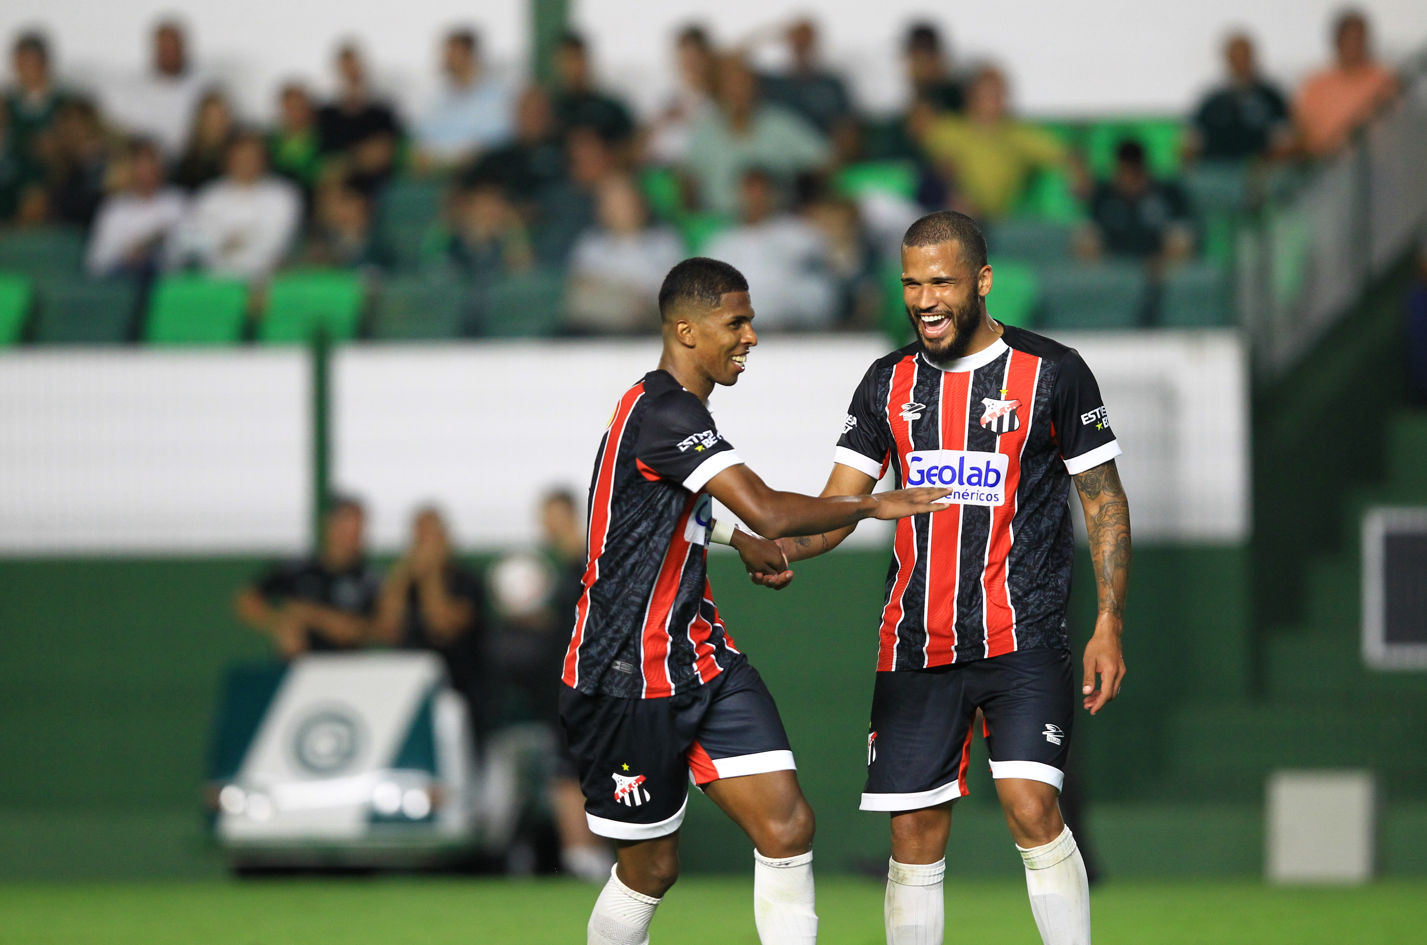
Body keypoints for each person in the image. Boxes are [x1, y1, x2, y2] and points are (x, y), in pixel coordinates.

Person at [762, 211, 1131, 945]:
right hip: (914, 644)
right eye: (910, 282)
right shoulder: (886, 382)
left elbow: (1103, 501)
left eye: (941, 281)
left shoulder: (1052, 372)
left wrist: (1108, 621)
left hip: (1020, 634)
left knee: (1030, 805)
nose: (924, 298)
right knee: (915, 831)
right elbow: (842, 505)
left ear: (981, 281)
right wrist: (783, 548)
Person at [563, 255, 951, 945]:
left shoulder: (666, 413)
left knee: (787, 824)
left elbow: (653, 509)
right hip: (623, 674)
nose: (749, 336)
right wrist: (871, 504)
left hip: (702, 658)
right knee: (650, 868)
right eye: (734, 322)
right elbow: (770, 509)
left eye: (750, 321)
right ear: (686, 329)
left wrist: (729, 537)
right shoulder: (663, 412)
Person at [373, 507, 488, 736]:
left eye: (431, 538)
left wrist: (430, 575)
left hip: (458, 691)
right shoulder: (403, 583)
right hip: (408, 691)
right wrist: (405, 572)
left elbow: (443, 626)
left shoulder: (466, 582)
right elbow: (386, 627)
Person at [235, 496, 382, 659]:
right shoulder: (297, 568)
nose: (354, 535)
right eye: (347, 526)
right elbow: (248, 600)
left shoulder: (369, 579)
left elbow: (378, 627)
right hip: (295, 667)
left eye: (359, 528)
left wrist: (314, 616)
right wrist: (280, 624)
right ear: (330, 526)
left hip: (345, 669)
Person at [684, 54, 831, 216]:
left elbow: (825, 160)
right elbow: (688, 180)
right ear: (718, 89)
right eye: (731, 84)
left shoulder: (780, 122)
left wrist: (811, 201)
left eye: (745, 83)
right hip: (723, 224)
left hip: (778, 220)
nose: (739, 91)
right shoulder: (705, 131)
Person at [919, 65, 1070, 220]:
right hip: (955, 212)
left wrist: (1076, 172)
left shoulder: (1018, 135)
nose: (994, 101)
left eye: (999, 94)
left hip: (1004, 218)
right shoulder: (950, 129)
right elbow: (939, 163)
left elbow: (1060, 152)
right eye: (987, 95)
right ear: (970, 96)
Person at [703, 169, 837, 330]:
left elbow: (823, 283)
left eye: (761, 192)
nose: (755, 199)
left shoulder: (800, 234)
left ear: (773, 195)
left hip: (795, 331)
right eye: (749, 192)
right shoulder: (720, 244)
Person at [167, 131, 301, 281]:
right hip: (214, 282)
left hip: (266, 282)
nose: (247, 162)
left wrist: (226, 243)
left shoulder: (283, 195)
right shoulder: (209, 196)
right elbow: (194, 241)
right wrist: (231, 242)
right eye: (241, 157)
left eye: (253, 156)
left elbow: (275, 245)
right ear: (228, 159)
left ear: (264, 159)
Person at [566, 175, 686, 333]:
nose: (618, 209)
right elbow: (581, 291)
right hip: (598, 325)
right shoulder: (590, 245)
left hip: (649, 323)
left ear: (639, 204)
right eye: (610, 204)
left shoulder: (664, 243)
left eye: (623, 202)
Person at [1293, 9, 1399, 157]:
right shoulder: (1315, 84)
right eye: (1348, 38)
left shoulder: (1385, 80)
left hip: (1378, 164)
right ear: (1337, 40)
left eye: (1359, 38)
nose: (1354, 45)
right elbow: (1302, 133)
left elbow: (1401, 126)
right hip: (1328, 167)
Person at [102, 20, 207, 156]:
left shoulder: (203, 88)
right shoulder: (132, 91)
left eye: (173, 46)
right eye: (164, 47)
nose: (169, 53)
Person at [414, 28, 513, 170]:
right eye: (447, 52)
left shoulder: (498, 95)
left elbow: (496, 143)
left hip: (485, 175)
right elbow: (424, 145)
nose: (447, 58)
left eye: (454, 52)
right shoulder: (436, 99)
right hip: (439, 177)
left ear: (471, 55)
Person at [86, 139, 187, 277]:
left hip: (167, 276)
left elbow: (189, 249)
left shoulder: (177, 202)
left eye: (152, 163)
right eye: (141, 165)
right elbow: (96, 262)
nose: (147, 171)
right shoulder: (114, 208)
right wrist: (128, 254)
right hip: (125, 278)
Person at [1083, 139, 1193, 264]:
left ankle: (1170, 282)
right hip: (1113, 260)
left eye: (1134, 172)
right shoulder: (1103, 194)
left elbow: (1180, 231)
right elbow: (1091, 230)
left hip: (1157, 262)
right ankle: (1102, 282)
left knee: (1180, 240)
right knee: (1086, 240)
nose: (1129, 179)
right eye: (1125, 171)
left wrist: (1160, 261)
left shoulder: (1167, 192)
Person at [1187, 33, 1292, 163]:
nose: (1240, 62)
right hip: (1217, 170)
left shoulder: (1272, 98)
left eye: (1244, 56)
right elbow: (1193, 141)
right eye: (1235, 57)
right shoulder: (1212, 102)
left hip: (1260, 171)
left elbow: (1284, 141)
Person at [757, 19, 855, 157]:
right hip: (781, 161)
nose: (802, 45)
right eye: (797, 39)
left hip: (823, 162)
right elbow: (732, 59)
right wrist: (771, 34)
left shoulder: (831, 84)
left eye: (806, 39)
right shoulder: (774, 84)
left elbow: (846, 126)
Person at [316, 43, 402, 191]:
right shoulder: (326, 115)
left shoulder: (382, 112)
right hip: (339, 186)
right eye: (346, 66)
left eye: (354, 65)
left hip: (378, 184)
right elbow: (325, 158)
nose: (351, 71)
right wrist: (357, 158)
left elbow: (386, 152)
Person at [460, 86, 565, 205]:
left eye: (539, 112)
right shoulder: (498, 159)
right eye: (528, 112)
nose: (534, 118)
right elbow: (465, 189)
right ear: (516, 115)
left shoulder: (567, 154)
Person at [645, 25, 717, 167]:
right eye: (685, 58)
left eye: (695, 59)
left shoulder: (720, 101)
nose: (689, 66)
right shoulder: (665, 102)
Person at [551, 32, 635, 147]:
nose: (573, 67)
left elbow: (631, 149)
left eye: (577, 58)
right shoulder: (550, 112)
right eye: (567, 60)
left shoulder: (610, 111)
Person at [171, 89, 234, 191]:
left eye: (220, 118)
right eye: (211, 118)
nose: (216, 124)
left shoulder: (236, 160)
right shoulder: (187, 166)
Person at [268, 83, 322, 194]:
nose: (295, 113)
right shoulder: (270, 143)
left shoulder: (324, 140)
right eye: (290, 107)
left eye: (300, 107)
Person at [904, 23, 964, 114]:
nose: (922, 66)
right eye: (917, 58)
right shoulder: (902, 91)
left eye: (927, 57)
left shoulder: (955, 97)